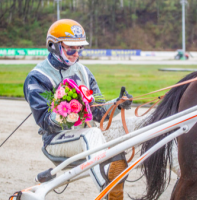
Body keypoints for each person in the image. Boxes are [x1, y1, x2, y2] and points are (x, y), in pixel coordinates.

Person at [23, 19, 132, 200]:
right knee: (91, 134)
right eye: (71, 49)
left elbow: (97, 111)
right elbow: (46, 122)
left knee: (130, 126)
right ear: (53, 46)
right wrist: (71, 112)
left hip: (86, 134)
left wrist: (117, 103)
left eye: (80, 48)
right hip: (55, 140)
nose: (76, 54)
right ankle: (108, 194)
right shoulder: (37, 77)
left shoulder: (84, 71)